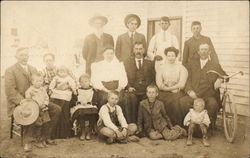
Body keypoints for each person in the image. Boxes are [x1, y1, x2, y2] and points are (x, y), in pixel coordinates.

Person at [5, 47, 60, 152]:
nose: (24, 57)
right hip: (21, 102)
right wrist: (23, 101)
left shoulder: (32, 68)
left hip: (37, 99)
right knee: (31, 110)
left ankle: (45, 137)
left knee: (56, 109)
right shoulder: (10, 70)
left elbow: (39, 83)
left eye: (26, 55)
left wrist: (44, 96)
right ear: (16, 56)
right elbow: (10, 91)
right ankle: (28, 141)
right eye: (21, 55)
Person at [180, 43, 227, 129]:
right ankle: (188, 126)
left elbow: (225, 76)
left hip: (208, 95)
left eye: (206, 49)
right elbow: (187, 79)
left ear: (209, 52)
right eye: (202, 49)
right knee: (183, 102)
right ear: (198, 52)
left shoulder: (215, 65)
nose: (203, 52)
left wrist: (220, 79)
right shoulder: (192, 64)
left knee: (213, 104)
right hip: (194, 93)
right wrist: (189, 91)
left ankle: (208, 127)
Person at [123, 41, 155, 123]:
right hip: (132, 90)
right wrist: (129, 87)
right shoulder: (127, 63)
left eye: (140, 49)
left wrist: (150, 88)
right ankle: (132, 124)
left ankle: (145, 126)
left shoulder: (150, 63)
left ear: (144, 50)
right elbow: (123, 77)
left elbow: (153, 79)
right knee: (130, 99)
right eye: (136, 49)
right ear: (133, 50)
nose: (138, 51)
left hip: (145, 90)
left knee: (148, 99)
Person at [156, 47, 188, 126]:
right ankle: (162, 125)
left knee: (175, 102)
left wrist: (173, 89)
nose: (171, 58)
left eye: (173, 56)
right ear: (166, 56)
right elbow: (159, 84)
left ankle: (175, 125)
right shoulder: (161, 68)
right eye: (169, 56)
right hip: (164, 91)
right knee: (160, 100)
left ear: (176, 56)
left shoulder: (181, 68)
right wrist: (169, 89)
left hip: (178, 92)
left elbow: (182, 84)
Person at [25, 73, 52, 148]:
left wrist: (45, 104)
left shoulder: (42, 89)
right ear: (32, 82)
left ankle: (43, 139)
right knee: (38, 125)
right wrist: (34, 105)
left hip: (44, 109)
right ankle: (37, 141)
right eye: (37, 81)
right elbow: (28, 100)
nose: (39, 83)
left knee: (46, 123)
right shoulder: (30, 90)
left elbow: (47, 98)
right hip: (36, 110)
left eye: (40, 81)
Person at [49, 66, 77, 139]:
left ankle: (64, 133)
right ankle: (54, 133)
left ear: (67, 72)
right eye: (60, 72)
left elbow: (73, 84)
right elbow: (52, 84)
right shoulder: (56, 78)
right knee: (56, 107)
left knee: (64, 112)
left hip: (65, 94)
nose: (62, 73)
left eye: (64, 72)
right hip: (57, 93)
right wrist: (51, 89)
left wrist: (74, 90)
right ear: (57, 72)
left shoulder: (69, 78)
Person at [70, 74, 98, 141]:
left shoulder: (93, 90)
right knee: (81, 113)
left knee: (93, 112)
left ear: (89, 82)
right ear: (79, 83)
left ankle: (89, 131)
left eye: (86, 81)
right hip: (80, 106)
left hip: (90, 106)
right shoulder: (77, 91)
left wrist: (91, 103)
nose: (84, 83)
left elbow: (96, 101)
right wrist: (78, 102)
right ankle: (83, 132)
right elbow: (72, 101)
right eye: (82, 82)